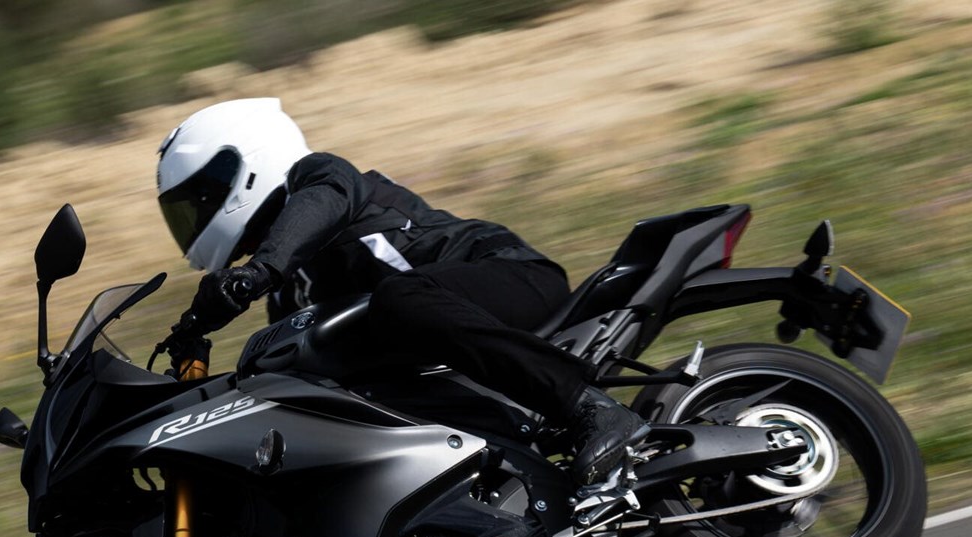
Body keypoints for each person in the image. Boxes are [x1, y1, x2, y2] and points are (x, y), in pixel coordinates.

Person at [156, 98, 644, 486]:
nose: (194, 218)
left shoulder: (320, 180)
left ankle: (588, 406)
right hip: (449, 343)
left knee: (398, 298)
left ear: (247, 163)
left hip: (514, 277)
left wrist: (257, 272)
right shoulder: (290, 293)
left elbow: (323, 201)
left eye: (200, 200)